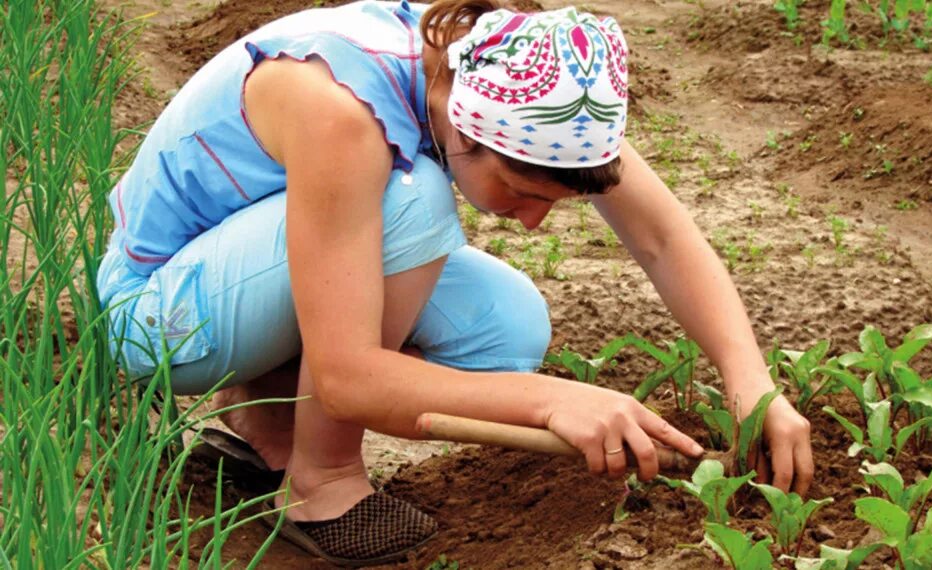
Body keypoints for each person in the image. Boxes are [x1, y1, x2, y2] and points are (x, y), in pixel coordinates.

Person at [97, 0, 813, 565]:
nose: (531, 223)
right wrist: (551, 400)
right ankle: (321, 484)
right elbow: (346, 379)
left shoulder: (531, 79)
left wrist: (752, 384)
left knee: (505, 326)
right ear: (468, 133)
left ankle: (266, 419)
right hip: (163, 316)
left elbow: (661, 237)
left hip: (252, 269)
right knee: (412, 202)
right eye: (519, 191)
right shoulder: (344, 110)